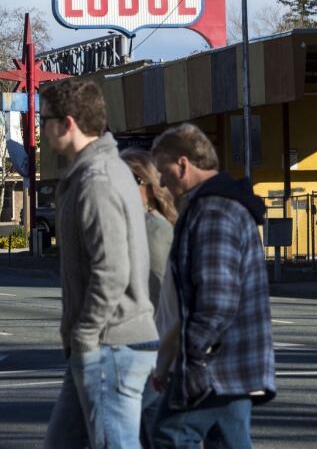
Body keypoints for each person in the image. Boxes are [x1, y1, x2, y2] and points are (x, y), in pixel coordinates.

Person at [42, 79, 158, 449]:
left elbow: (111, 271)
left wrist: (86, 335)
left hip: (110, 344)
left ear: (68, 123)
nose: (41, 128)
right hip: (101, 345)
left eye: (45, 119)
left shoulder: (98, 179)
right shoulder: (97, 171)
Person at [150, 123, 276, 449]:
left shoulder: (213, 211)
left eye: (164, 171)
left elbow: (216, 299)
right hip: (234, 366)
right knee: (228, 442)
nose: (161, 182)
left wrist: (190, 357)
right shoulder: (219, 206)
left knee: (170, 436)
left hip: (216, 368)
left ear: (183, 164)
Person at [120, 148, 179, 448]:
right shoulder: (137, 225)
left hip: (150, 351)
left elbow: (163, 296)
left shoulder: (153, 230)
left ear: (141, 185)